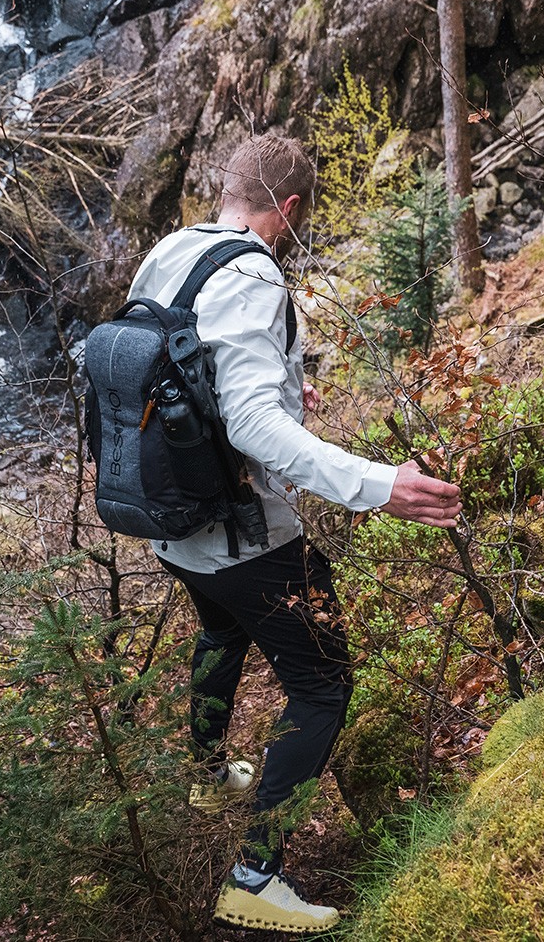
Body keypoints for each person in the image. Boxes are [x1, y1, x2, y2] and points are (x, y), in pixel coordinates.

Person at [126, 133, 462, 934]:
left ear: (226, 190)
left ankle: (210, 776)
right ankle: (254, 878)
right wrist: (380, 486)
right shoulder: (253, 275)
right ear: (292, 207)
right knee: (322, 685)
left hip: (168, 523)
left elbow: (166, 375)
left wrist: (278, 393)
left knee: (222, 627)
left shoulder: (170, 251)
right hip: (241, 533)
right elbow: (249, 424)